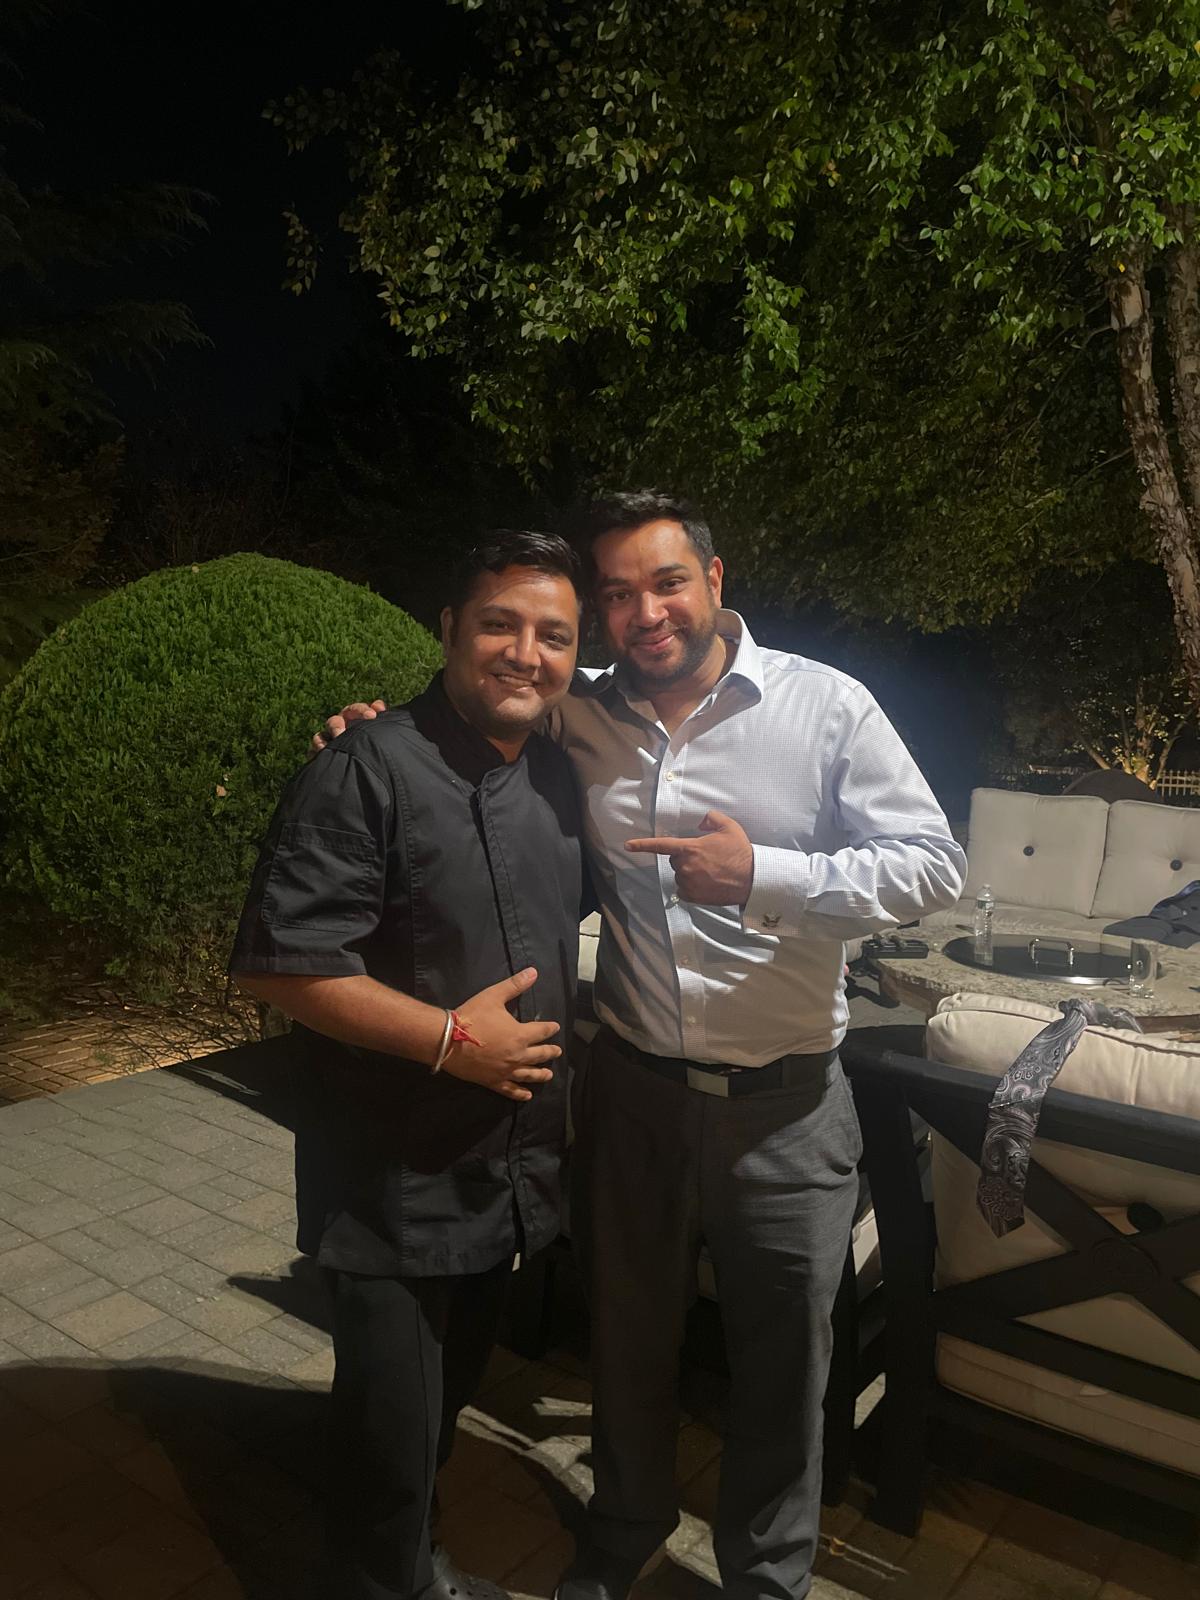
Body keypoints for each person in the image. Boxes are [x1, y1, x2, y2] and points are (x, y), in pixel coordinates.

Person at [323, 492, 966, 1600]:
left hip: (788, 1107)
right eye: (617, 594)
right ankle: (622, 1532)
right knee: (626, 1341)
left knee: (785, 1363)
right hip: (631, 1093)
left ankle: (766, 1575)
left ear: (714, 581)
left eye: (666, 582)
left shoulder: (826, 706)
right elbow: (477, 713)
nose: (645, 612)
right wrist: (373, 734)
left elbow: (933, 865)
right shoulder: (580, 709)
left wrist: (765, 875)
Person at [231, 530, 586, 1600]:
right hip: (396, 1179)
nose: (526, 652)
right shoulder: (365, 767)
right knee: (389, 1438)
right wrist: (449, 1039)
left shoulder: (556, 778)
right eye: (499, 624)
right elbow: (282, 965)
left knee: (434, 1416)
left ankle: (406, 1557)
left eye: (554, 635)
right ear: (447, 630)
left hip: (504, 1173)